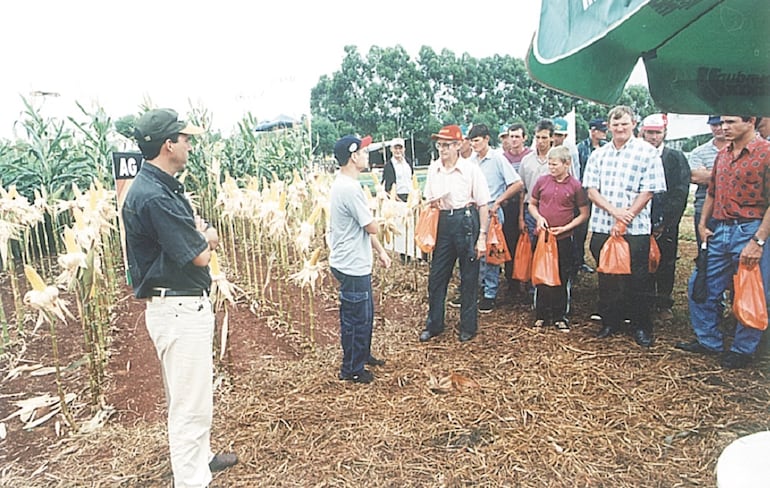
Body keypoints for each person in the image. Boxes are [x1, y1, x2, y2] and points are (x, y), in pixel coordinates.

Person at [122, 108, 237, 487]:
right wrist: (207, 236)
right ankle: (192, 480)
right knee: (189, 405)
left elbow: (195, 229)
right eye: (185, 139)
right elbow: (200, 252)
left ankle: (202, 459)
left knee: (192, 396)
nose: (190, 145)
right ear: (168, 145)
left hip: (180, 306)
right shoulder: (154, 196)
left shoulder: (162, 186)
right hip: (178, 309)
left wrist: (200, 232)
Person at [677, 115, 770, 369]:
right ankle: (709, 341)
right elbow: (712, 193)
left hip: (750, 228)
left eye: (730, 122)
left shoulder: (766, 153)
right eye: (721, 123)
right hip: (720, 228)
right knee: (701, 284)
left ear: (750, 121)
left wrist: (758, 241)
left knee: (752, 291)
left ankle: (743, 350)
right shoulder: (723, 155)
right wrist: (702, 224)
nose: (723, 127)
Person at [583, 105, 666, 348]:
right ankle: (610, 321)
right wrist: (614, 212)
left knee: (638, 277)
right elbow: (591, 190)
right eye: (615, 124)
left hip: (635, 228)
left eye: (624, 124)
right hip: (603, 225)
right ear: (609, 127)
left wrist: (626, 216)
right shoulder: (598, 155)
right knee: (607, 275)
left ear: (634, 124)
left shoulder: (647, 152)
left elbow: (649, 190)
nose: (620, 128)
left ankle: (640, 326)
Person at [329, 134, 392, 383]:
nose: (367, 155)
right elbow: (370, 226)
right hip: (352, 264)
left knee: (364, 314)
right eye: (364, 152)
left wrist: (381, 251)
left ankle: (362, 355)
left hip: (351, 261)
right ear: (353, 157)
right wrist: (383, 215)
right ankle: (352, 369)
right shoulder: (350, 188)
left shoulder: (343, 183)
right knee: (356, 319)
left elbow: (363, 227)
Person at [419, 124, 490, 343]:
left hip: (466, 220)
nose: (442, 149)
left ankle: (468, 326)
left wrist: (482, 236)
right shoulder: (434, 169)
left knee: (468, 277)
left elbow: (483, 204)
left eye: (447, 145)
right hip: (443, 221)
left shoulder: (471, 170)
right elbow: (427, 197)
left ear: (458, 145)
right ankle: (434, 324)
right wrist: (433, 202)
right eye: (440, 145)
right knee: (437, 276)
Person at [527, 146, 589, 331]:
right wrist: (539, 218)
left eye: (555, 165)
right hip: (542, 237)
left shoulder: (575, 186)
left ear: (567, 164)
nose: (551, 168)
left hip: (563, 238)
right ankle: (541, 315)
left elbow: (584, 213)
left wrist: (566, 227)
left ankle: (560, 315)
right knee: (541, 275)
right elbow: (532, 204)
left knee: (562, 275)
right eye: (549, 164)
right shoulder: (542, 181)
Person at [468, 124, 523, 313]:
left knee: (491, 252)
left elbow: (517, 184)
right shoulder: (471, 161)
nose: (474, 145)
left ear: (486, 139)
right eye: (472, 141)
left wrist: (499, 201)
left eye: (477, 141)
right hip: (474, 209)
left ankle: (490, 293)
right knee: (475, 251)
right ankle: (478, 287)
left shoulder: (498, 159)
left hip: (492, 210)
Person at [640, 113, 690, 321]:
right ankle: (644, 302)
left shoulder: (675, 157)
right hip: (639, 218)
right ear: (642, 133)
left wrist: (665, 222)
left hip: (666, 221)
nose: (653, 137)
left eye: (657, 133)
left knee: (666, 261)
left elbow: (680, 192)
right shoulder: (637, 155)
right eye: (649, 133)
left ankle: (663, 302)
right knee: (641, 261)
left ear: (665, 133)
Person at [574, 117, 608, 274]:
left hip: (603, 195)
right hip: (584, 194)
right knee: (581, 230)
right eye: (602, 130)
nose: (604, 133)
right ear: (593, 131)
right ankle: (578, 261)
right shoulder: (580, 148)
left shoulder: (607, 148)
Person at [502, 122, 532, 296]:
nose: (513, 140)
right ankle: (511, 282)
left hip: (525, 204)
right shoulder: (503, 158)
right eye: (511, 136)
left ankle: (527, 280)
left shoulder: (529, 157)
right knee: (509, 242)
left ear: (524, 138)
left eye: (517, 137)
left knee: (526, 242)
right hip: (508, 205)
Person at [689, 116, 727, 248]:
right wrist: (730, 173)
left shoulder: (740, 148)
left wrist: (708, 173)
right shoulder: (699, 152)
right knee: (705, 250)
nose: (718, 128)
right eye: (714, 125)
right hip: (704, 208)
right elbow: (695, 177)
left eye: (721, 124)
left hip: (732, 209)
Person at [381, 137, 412, 202]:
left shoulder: (408, 162)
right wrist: (395, 198)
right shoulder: (388, 166)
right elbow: (386, 186)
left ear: (404, 149)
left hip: (410, 196)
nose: (398, 151)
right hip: (396, 197)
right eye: (395, 148)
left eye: (400, 148)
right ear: (391, 149)